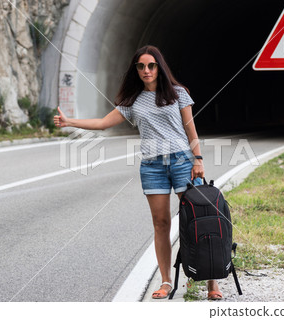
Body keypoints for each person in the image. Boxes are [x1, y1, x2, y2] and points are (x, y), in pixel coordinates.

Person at [54, 45, 222, 300]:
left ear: (159, 67)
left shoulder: (178, 94)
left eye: (151, 65)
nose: (146, 70)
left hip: (181, 162)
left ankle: (212, 282)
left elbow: (191, 131)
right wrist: (69, 122)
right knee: (161, 223)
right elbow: (101, 124)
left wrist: (198, 159)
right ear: (136, 69)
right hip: (152, 166)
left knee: (197, 218)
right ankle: (166, 281)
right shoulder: (132, 101)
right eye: (141, 66)